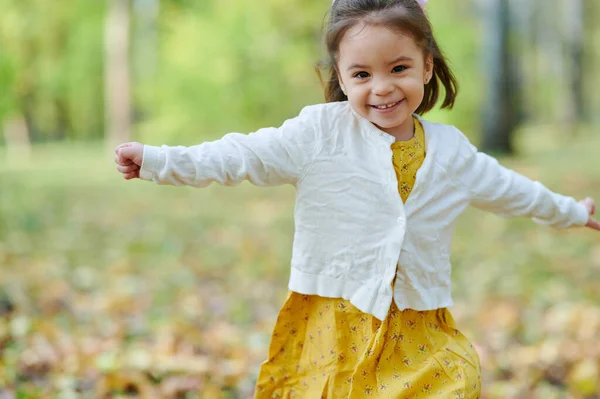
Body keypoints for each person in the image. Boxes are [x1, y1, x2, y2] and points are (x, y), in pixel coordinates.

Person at [114, 0, 599, 397]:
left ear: (427, 66)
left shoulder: (451, 152)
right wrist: (159, 160)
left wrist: (573, 211)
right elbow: (242, 155)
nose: (382, 87)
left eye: (399, 68)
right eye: (362, 74)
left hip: (417, 323)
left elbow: (510, 190)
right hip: (334, 318)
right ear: (341, 79)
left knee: (456, 383)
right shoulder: (319, 134)